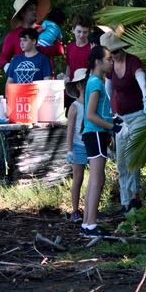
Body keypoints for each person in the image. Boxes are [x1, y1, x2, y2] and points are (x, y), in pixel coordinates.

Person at [103, 29, 146, 214]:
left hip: (140, 113)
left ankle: (135, 197)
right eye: (110, 54)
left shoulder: (133, 61)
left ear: (121, 50)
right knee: (122, 160)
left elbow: (142, 82)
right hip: (122, 117)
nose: (114, 56)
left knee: (133, 156)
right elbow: (108, 91)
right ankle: (125, 203)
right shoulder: (110, 68)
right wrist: (108, 113)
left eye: (115, 52)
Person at [81, 45, 120, 237]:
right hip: (95, 132)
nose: (111, 62)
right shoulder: (96, 83)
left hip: (95, 132)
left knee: (95, 179)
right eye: (108, 59)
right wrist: (113, 127)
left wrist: (112, 119)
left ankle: (87, 223)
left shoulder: (94, 81)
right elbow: (90, 115)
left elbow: (99, 112)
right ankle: (91, 224)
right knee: (97, 179)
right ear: (98, 62)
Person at [0, 0, 64, 74]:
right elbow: (4, 56)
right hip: (23, 80)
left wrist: (38, 49)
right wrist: (6, 66)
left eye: (35, 9)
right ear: (22, 13)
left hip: (45, 79)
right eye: (31, 9)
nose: (34, 12)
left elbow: (59, 49)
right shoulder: (12, 36)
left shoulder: (45, 29)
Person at [64, 68, 89, 223]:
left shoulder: (95, 102)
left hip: (92, 144)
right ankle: (75, 210)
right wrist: (69, 150)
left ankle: (92, 208)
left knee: (96, 178)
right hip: (78, 145)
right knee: (78, 177)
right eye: (85, 83)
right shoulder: (74, 107)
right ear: (78, 86)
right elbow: (70, 129)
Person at [65, 15, 93, 80]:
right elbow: (69, 67)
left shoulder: (92, 47)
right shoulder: (69, 47)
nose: (82, 35)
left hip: (87, 84)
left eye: (85, 32)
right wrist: (66, 79)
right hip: (72, 84)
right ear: (73, 30)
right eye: (79, 31)